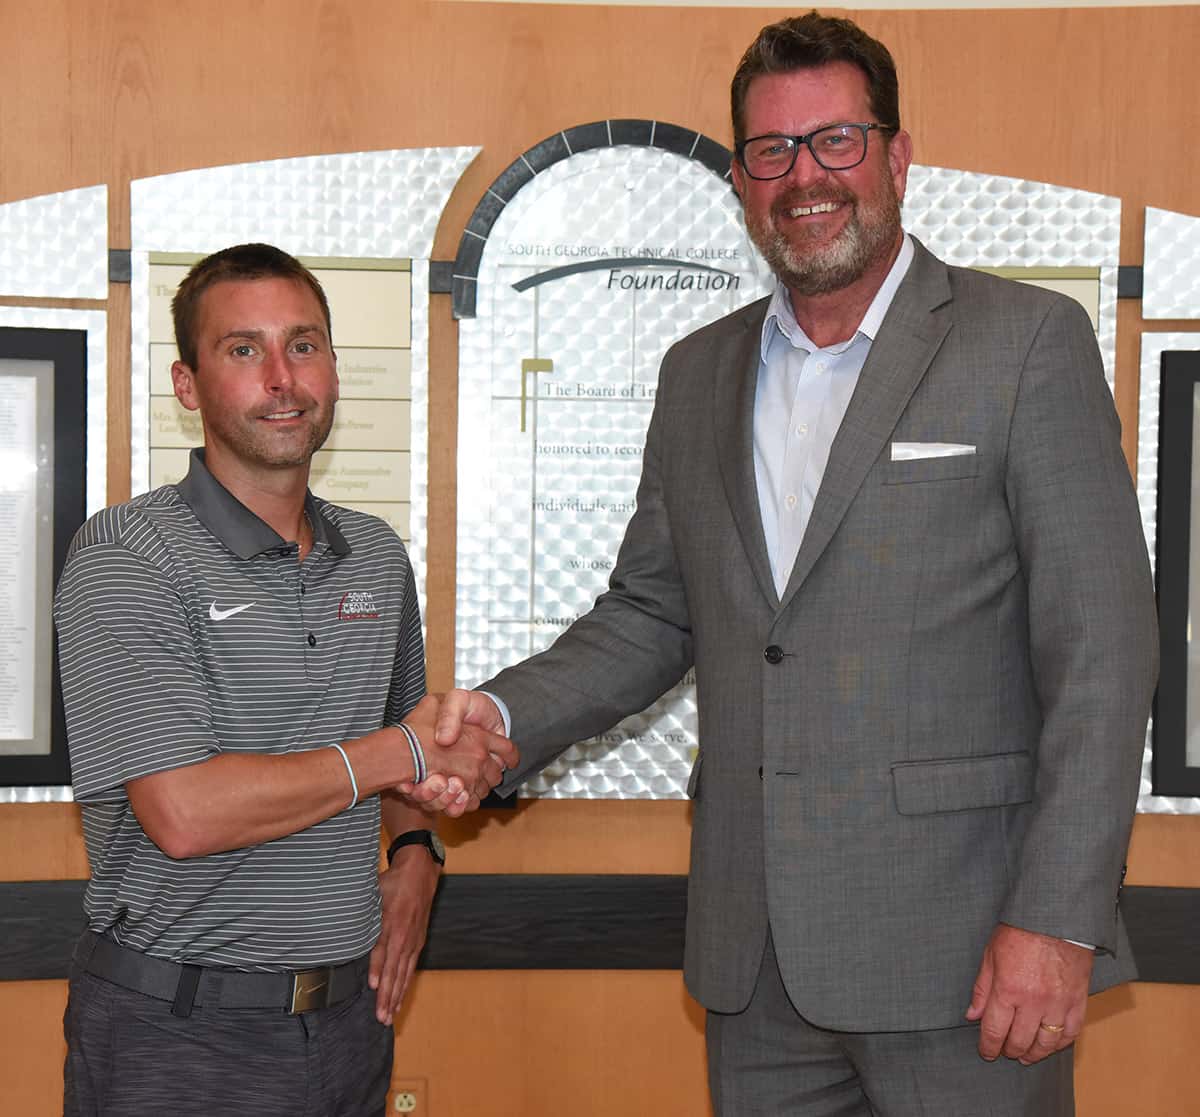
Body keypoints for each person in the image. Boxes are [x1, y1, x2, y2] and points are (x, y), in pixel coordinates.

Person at [432, 12, 1158, 1116]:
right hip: (755, 962)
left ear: (897, 157)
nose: (803, 177)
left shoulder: (1025, 344)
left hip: (966, 959)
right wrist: (499, 717)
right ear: (740, 180)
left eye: (836, 141)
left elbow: (1104, 650)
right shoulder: (697, 376)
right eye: (771, 151)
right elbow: (649, 617)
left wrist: (1058, 918)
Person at [53, 243, 516, 1117]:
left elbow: (408, 761)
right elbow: (183, 813)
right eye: (243, 350)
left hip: (348, 1027)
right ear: (187, 385)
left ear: (334, 369)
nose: (281, 377)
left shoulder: (376, 556)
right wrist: (399, 751)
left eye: (303, 345)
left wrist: (417, 855)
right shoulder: (125, 557)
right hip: (174, 1036)